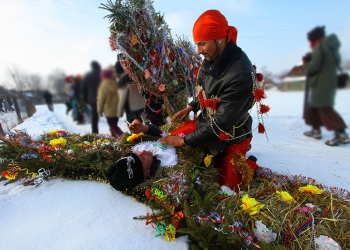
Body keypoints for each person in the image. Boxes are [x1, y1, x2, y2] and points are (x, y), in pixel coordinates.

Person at [156, 10, 259, 191]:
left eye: (202, 44)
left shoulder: (240, 74)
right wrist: (191, 106)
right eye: (197, 44)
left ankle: (249, 163)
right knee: (169, 143)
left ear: (219, 39)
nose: (198, 51)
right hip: (205, 124)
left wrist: (185, 141)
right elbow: (206, 91)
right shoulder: (212, 57)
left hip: (230, 135)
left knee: (229, 186)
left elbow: (222, 123)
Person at [302, 26, 349, 146]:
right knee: (313, 107)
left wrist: (307, 63)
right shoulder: (331, 48)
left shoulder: (320, 47)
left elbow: (314, 67)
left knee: (324, 108)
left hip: (322, 83)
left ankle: (341, 134)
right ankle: (315, 130)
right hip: (328, 82)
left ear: (315, 38)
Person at [106, 120, 176, 192]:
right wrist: (183, 141)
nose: (143, 151)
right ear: (146, 173)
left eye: (136, 153)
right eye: (142, 158)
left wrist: (145, 128)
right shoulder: (170, 166)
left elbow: (161, 134)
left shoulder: (140, 147)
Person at [97, 69, 123, 137]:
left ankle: (121, 135)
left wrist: (99, 110)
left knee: (113, 125)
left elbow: (101, 99)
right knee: (114, 124)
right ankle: (115, 137)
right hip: (117, 107)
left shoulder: (103, 85)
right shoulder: (115, 83)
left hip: (109, 109)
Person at [82, 61, 101, 134]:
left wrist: (85, 99)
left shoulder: (88, 75)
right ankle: (114, 131)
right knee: (110, 114)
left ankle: (94, 131)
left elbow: (83, 88)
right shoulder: (102, 74)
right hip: (104, 97)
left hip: (93, 98)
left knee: (94, 115)